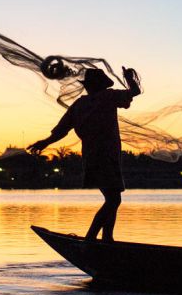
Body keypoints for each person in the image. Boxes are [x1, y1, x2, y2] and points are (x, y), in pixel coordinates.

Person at [29, 66, 142, 241]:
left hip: (92, 157)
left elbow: (61, 131)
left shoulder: (79, 105)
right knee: (113, 200)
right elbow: (134, 91)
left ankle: (106, 239)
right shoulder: (108, 96)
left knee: (112, 198)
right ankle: (92, 239)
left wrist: (44, 143)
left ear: (89, 86)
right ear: (102, 85)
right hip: (107, 156)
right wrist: (129, 78)